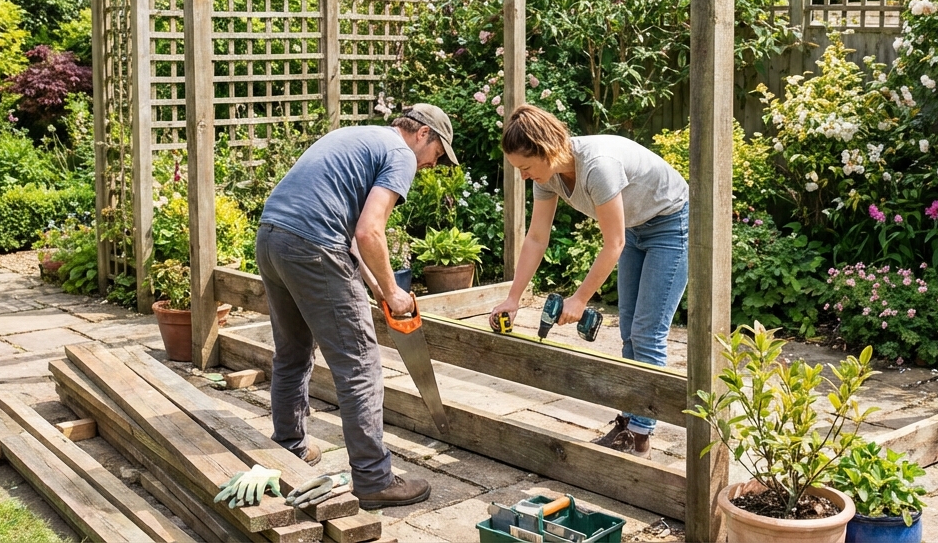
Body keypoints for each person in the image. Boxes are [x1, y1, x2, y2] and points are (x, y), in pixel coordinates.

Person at [256, 104, 458, 509]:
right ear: (423, 134)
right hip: (313, 247)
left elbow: (350, 234)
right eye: (438, 153)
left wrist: (378, 288)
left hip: (272, 237)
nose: (433, 165)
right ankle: (374, 478)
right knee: (360, 365)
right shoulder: (401, 155)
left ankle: (290, 445)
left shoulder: (358, 136)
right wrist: (394, 291)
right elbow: (369, 231)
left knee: (293, 353)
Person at [489, 104, 688, 458]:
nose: (522, 177)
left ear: (546, 151)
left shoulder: (598, 166)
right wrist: (513, 298)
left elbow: (613, 244)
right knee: (628, 332)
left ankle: (641, 434)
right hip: (635, 226)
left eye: (524, 167)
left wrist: (580, 298)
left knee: (646, 332)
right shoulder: (547, 175)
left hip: (671, 223)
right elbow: (537, 237)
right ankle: (630, 419)